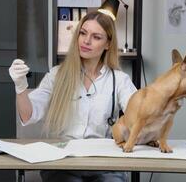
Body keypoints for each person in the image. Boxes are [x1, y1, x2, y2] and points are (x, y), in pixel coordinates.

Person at [9, 11, 137, 182]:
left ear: (108, 44)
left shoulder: (119, 80)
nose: (86, 41)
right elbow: (27, 115)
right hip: (64, 163)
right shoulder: (57, 75)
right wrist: (20, 86)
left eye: (96, 37)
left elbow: (139, 115)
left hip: (104, 164)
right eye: (83, 33)